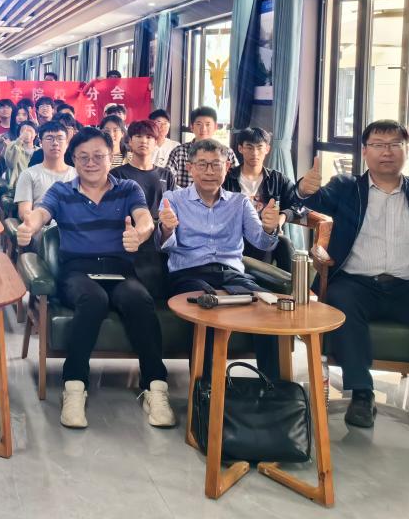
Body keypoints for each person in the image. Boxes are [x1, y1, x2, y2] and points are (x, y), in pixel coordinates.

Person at [296, 120, 409, 436]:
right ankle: (362, 394)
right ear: (365, 151)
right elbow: (307, 203)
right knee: (340, 299)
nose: (387, 152)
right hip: (357, 284)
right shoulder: (346, 188)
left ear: (407, 150)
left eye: (394, 144)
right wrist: (303, 189)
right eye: (378, 145)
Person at [16, 127, 174, 430]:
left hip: (120, 269)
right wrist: (29, 226)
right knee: (93, 299)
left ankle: (155, 387)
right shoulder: (62, 191)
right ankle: (74, 386)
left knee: (139, 299)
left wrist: (140, 234)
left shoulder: (128, 189)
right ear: (74, 159)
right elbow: (40, 214)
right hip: (77, 270)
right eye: (83, 157)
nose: (91, 163)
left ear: (110, 157)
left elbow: (144, 219)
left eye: (98, 156)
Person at [158, 138, 281, 378]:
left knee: (268, 307)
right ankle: (206, 388)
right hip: (188, 273)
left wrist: (269, 228)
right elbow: (165, 246)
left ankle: (273, 387)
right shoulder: (173, 199)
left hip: (231, 274)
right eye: (202, 164)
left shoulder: (239, 203)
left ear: (227, 168)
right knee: (206, 305)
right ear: (190, 168)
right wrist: (167, 228)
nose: (209, 171)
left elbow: (262, 242)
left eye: (216, 164)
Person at [222, 127, 304, 271]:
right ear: (240, 148)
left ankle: (290, 284)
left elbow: (301, 205)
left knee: (283, 243)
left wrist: (282, 217)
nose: (255, 153)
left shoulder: (277, 179)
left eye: (260, 147)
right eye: (249, 147)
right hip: (235, 236)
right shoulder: (227, 178)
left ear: (267, 149)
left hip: (266, 236)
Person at [111, 120, 177, 298]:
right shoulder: (117, 174)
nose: (144, 141)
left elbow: (172, 210)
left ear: (156, 142)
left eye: (149, 137)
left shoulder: (166, 175)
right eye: (138, 136)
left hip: (160, 239)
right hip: (130, 238)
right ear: (129, 142)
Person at [14, 120, 76, 223]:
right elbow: (24, 212)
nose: (55, 143)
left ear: (67, 143)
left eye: (60, 138)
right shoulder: (28, 174)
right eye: (49, 138)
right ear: (41, 143)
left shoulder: (78, 175)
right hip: (42, 228)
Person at [166, 106, 238, 188]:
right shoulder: (179, 152)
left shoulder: (227, 153)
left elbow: (237, 180)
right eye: (199, 124)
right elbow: (167, 180)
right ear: (192, 127)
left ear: (215, 127)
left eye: (208, 124)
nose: (203, 129)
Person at [3, 120, 38, 191]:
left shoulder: (39, 151)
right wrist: (20, 139)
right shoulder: (13, 146)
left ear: (36, 134)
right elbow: (10, 164)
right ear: (19, 133)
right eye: (23, 131)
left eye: (30, 131)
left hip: (35, 186)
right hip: (17, 186)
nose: (26, 133)